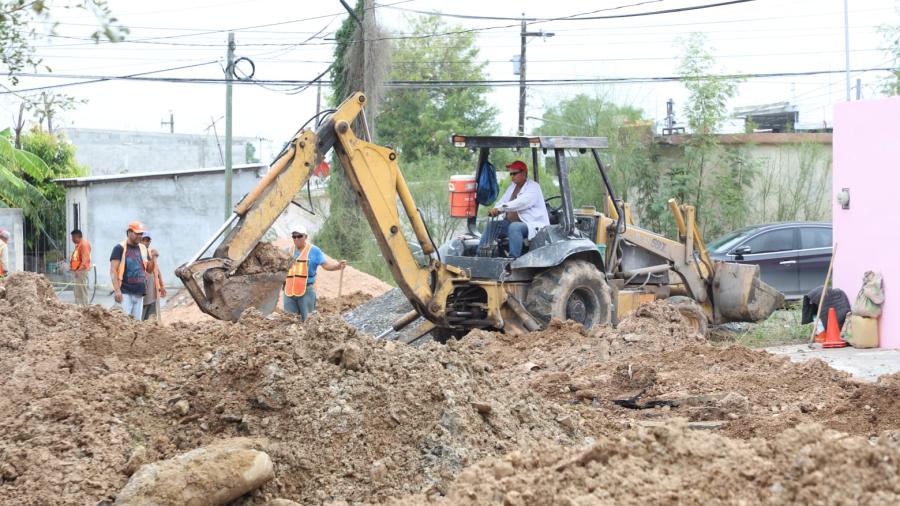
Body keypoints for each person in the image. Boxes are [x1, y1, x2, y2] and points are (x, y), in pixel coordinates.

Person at [478, 160, 550, 257]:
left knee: (515, 227)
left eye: (514, 173)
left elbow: (520, 203)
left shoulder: (533, 187)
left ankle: (513, 260)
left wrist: (501, 209)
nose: (512, 176)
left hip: (531, 225)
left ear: (524, 173)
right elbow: (502, 201)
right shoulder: (512, 187)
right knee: (492, 225)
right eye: (511, 174)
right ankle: (479, 256)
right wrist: (495, 209)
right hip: (510, 224)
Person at [283, 226, 346, 321]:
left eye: (299, 236)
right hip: (289, 292)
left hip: (306, 291)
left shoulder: (314, 251)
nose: (296, 239)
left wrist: (337, 266)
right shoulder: (287, 251)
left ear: (306, 237)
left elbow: (325, 265)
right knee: (289, 320)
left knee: (308, 320)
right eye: (294, 236)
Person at [109, 221, 155, 320]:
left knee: (136, 325)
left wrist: (153, 258)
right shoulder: (119, 248)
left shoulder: (143, 248)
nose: (140, 236)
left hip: (139, 292)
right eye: (137, 233)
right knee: (124, 324)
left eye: (141, 234)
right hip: (125, 293)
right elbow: (113, 270)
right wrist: (117, 290)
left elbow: (149, 270)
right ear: (129, 232)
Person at [140, 231, 167, 321]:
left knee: (151, 316)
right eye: (143, 240)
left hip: (152, 290)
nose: (146, 242)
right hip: (141, 290)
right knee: (140, 315)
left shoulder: (151, 252)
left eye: (147, 240)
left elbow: (157, 271)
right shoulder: (137, 253)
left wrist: (162, 286)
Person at [69, 229, 92, 305]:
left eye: (72, 237)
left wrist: (78, 271)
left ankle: (84, 308)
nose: (72, 239)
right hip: (78, 271)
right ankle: (79, 307)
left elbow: (85, 261)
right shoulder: (79, 245)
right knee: (77, 291)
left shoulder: (84, 245)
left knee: (81, 291)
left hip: (81, 272)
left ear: (76, 237)